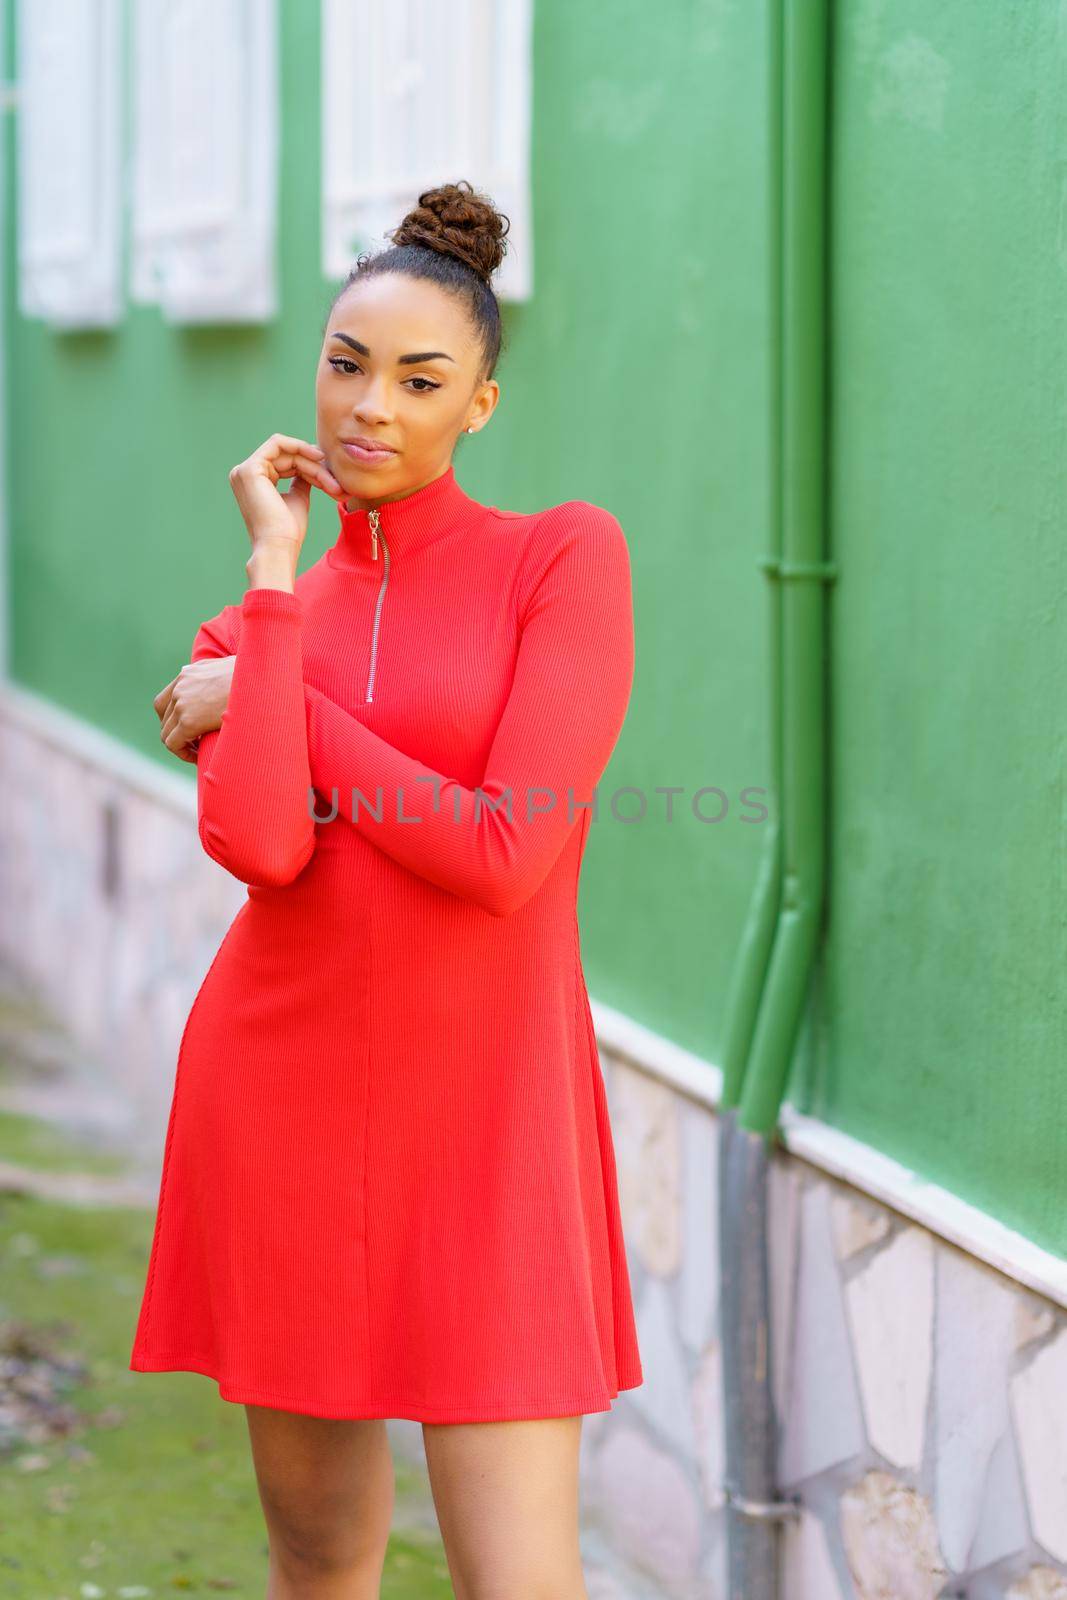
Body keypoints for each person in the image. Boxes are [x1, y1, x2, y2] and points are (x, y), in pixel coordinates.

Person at [132, 179, 643, 1599]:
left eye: (423, 379)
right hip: (283, 1104)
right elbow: (263, 851)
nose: (374, 407)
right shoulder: (256, 619)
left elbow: (506, 852)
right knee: (315, 1558)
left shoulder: (561, 559)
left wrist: (267, 700)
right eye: (348, 366)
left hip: (492, 1126)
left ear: (479, 403)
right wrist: (275, 591)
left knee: (518, 1578)